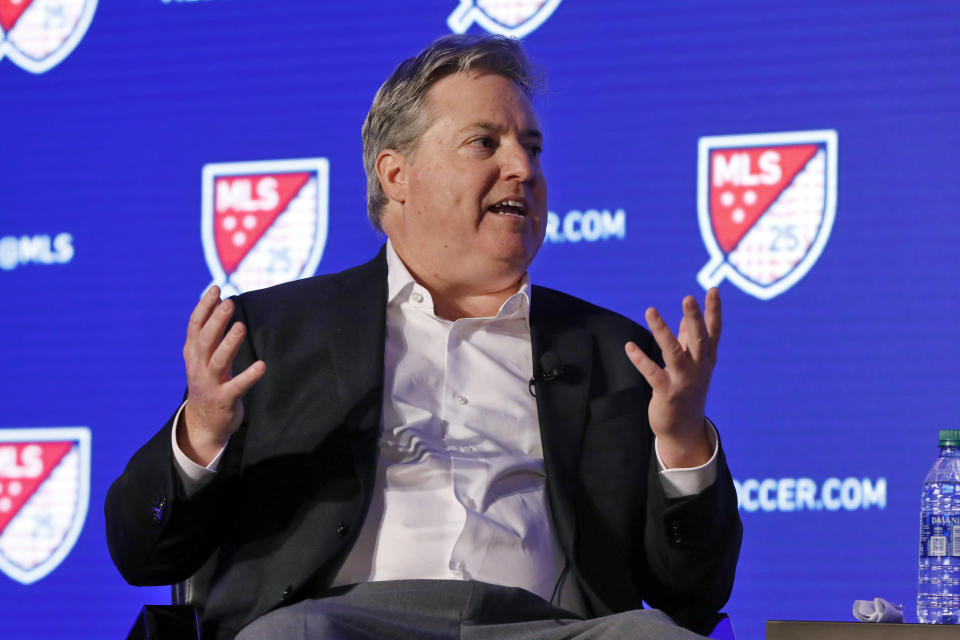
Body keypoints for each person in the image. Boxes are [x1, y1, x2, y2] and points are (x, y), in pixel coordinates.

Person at [106, 34, 741, 640]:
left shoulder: (616, 353)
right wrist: (201, 434)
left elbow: (696, 594)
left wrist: (682, 446)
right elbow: (143, 553)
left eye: (533, 147)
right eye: (484, 143)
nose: (522, 166)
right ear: (396, 175)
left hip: (549, 627)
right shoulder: (273, 335)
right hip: (341, 626)